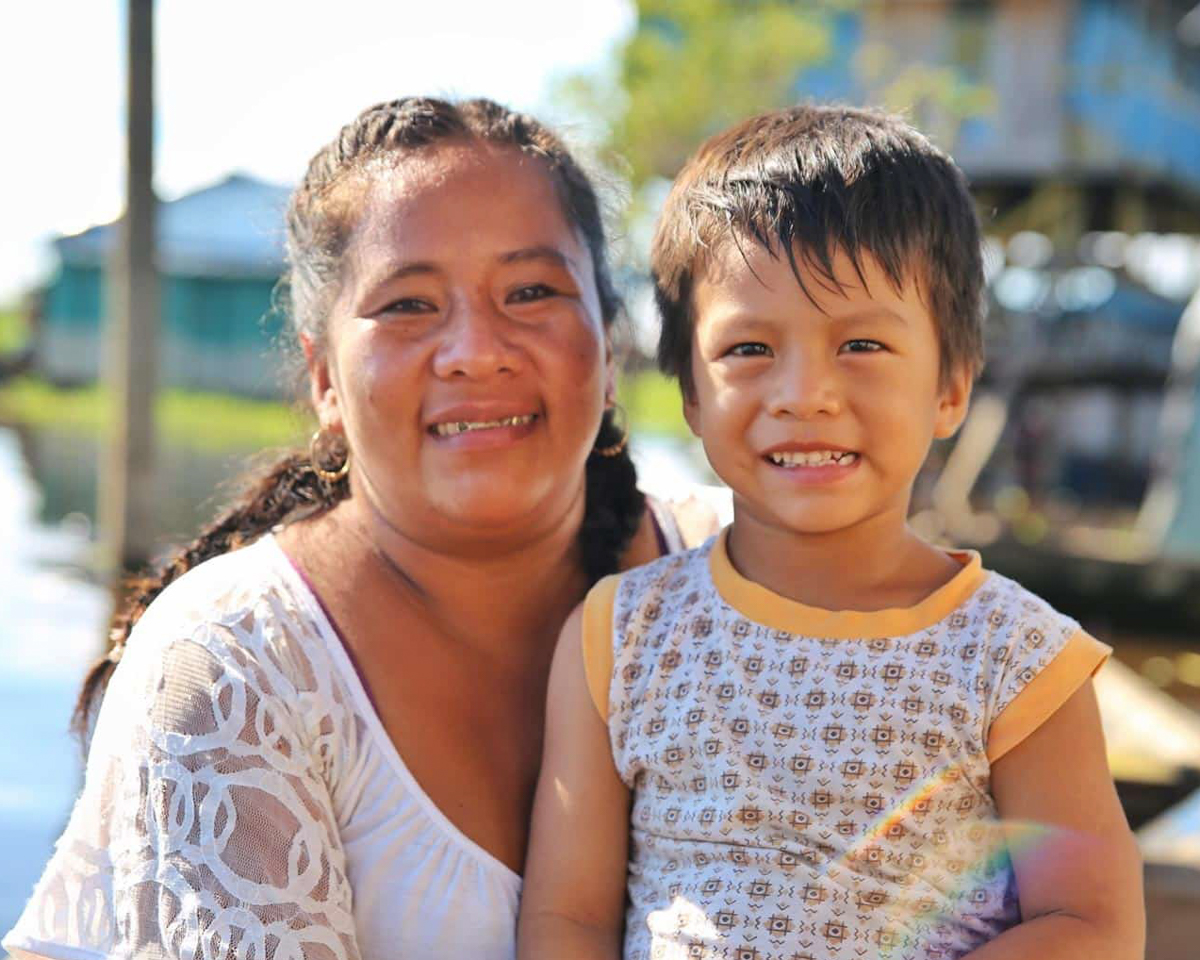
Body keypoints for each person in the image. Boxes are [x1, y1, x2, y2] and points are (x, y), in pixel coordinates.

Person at [3, 97, 716, 960]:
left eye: (531, 291)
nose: (475, 350)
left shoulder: (737, 580)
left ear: (609, 349)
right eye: (410, 304)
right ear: (324, 379)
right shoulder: (233, 665)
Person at [518, 106, 1145, 960]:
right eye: (748, 350)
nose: (805, 393)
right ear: (691, 395)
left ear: (952, 385)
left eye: (860, 342)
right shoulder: (621, 637)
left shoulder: (1018, 661)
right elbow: (569, 920)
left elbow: (1090, 925)